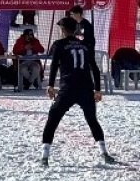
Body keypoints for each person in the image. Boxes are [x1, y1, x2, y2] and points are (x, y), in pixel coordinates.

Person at [40, 17, 114, 166]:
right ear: (75, 30)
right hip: (86, 87)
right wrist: (98, 90)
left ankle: (45, 156)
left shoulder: (59, 44)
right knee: (92, 120)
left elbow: (54, 65)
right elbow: (95, 68)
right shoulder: (85, 45)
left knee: (53, 118)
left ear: (63, 30)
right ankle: (104, 152)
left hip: (68, 87)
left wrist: (50, 85)